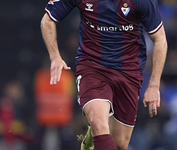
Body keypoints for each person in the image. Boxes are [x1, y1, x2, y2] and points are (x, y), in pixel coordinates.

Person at [40, 0, 167, 149]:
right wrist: (55, 56)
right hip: (92, 67)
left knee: (119, 143)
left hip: (128, 71)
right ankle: (95, 127)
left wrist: (153, 85)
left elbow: (160, 39)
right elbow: (47, 20)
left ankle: (94, 137)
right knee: (98, 122)